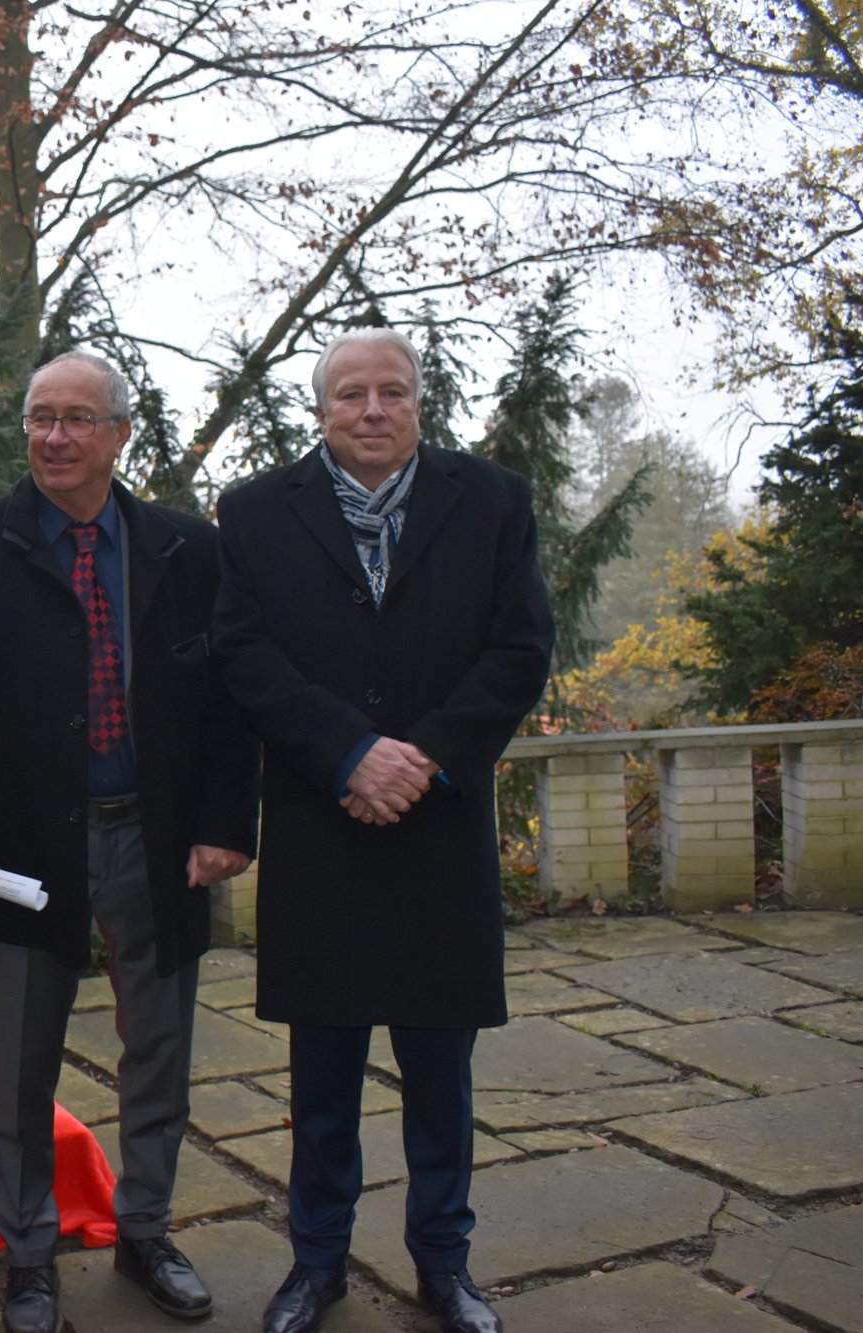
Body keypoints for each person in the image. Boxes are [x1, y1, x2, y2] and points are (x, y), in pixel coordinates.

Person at [0, 351, 261, 1333]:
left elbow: (230, 700)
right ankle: (28, 1256)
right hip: (24, 852)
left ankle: (144, 1231)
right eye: (39, 418)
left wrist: (224, 826)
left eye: (76, 419)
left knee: (160, 1053)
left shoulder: (188, 549)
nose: (54, 437)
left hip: (158, 843)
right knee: (21, 1066)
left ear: (119, 434)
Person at [211, 328, 554, 1333]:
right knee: (321, 1082)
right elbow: (242, 652)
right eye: (351, 394)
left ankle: (444, 1264)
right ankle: (315, 1263)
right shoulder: (254, 511)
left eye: (391, 392)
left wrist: (421, 758)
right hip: (321, 827)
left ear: (418, 402)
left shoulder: (492, 500)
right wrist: (348, 752)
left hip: (436, 831)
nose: (372, 410)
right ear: (320, 409)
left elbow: (520, 647)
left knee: (441, 1078)